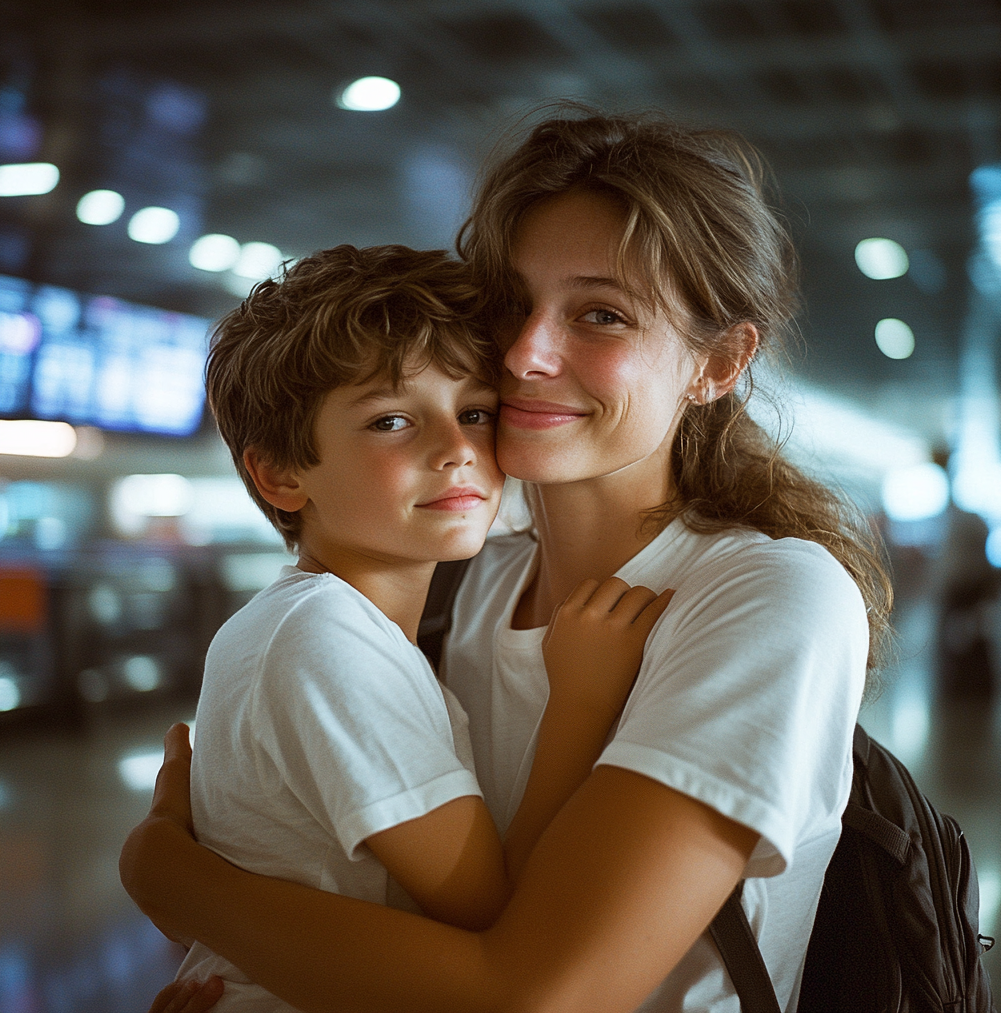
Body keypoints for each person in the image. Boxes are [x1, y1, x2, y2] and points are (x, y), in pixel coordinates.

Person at [121, 108, 893, 1013]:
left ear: (717, 364)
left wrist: (179, 884)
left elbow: (534, 996)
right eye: (511, 305)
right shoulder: (452, 588)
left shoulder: (764, 599)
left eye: (600, 314)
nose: (527, 353)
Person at [160, 242, 673, 1011]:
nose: (457, 450)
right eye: (392, 420)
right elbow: (496, 910)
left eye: (473, 412)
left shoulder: (330, 629)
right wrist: (581, 701)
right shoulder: (322, 641)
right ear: (280, 475)